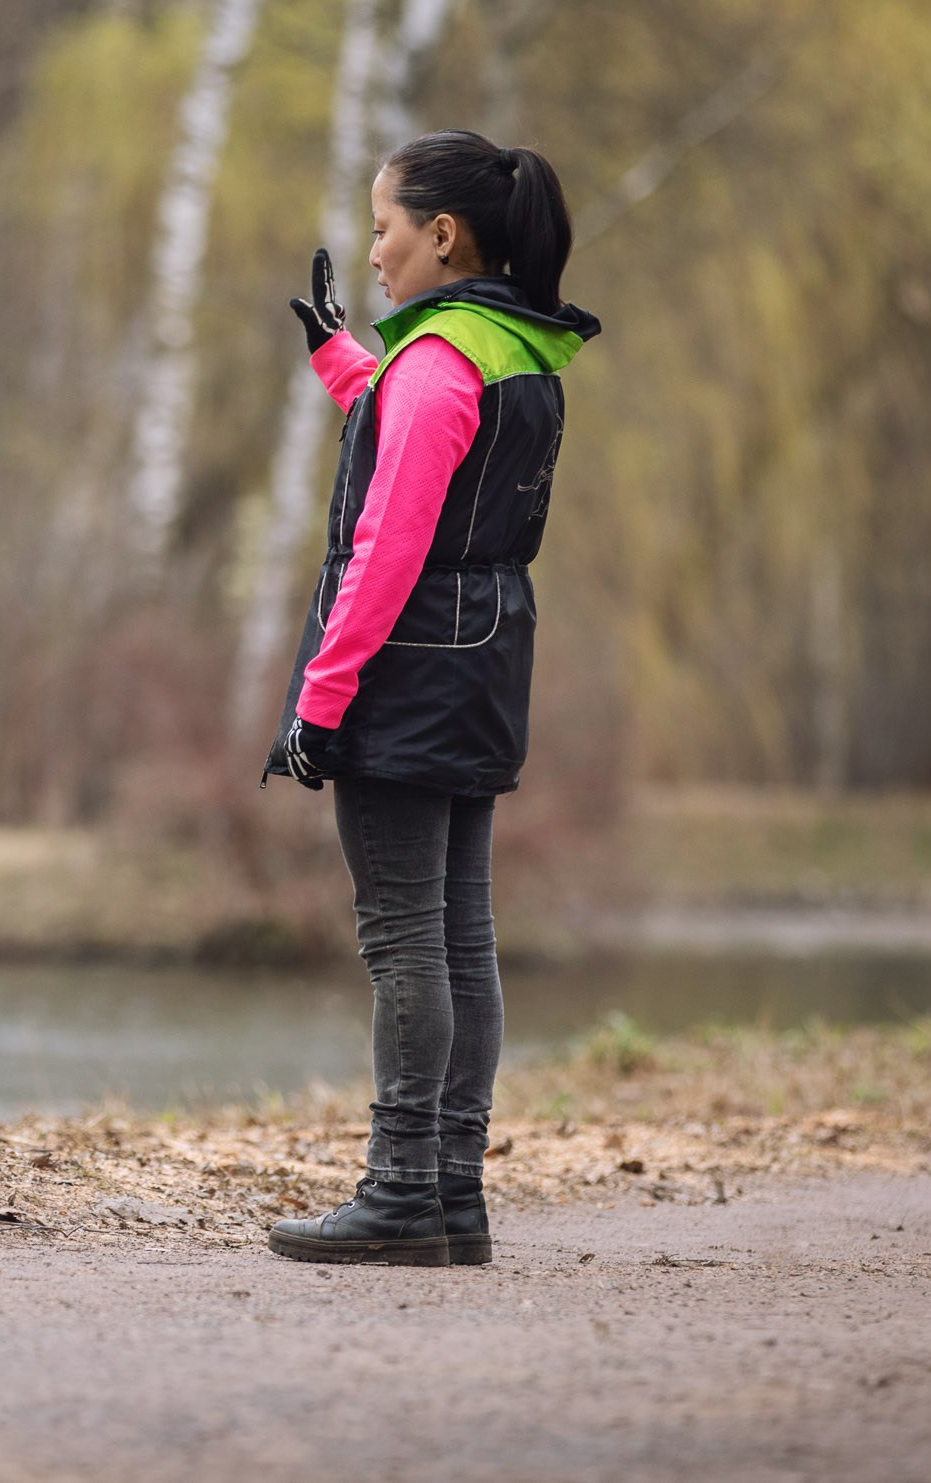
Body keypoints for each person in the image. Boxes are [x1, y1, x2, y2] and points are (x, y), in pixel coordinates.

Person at [263, 129, 600, 1267]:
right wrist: (340, 358)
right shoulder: (509, 350)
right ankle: (452, 1193)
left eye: (383, 227)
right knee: (461, 935)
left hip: (405, 664)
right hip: (485, 656)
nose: (373, 250)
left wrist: (319, 701)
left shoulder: (441, 356)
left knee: (406, 939)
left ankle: (402, 1191)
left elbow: (389, 540)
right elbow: (432, 450)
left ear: (442, 234)